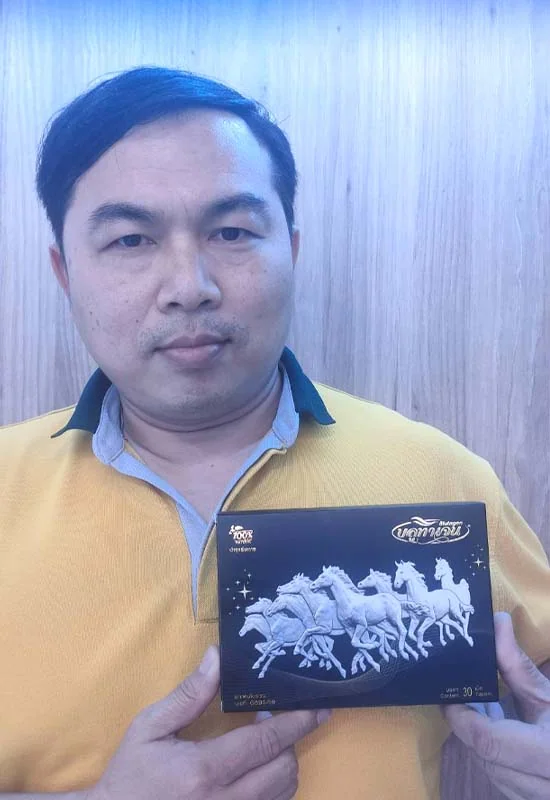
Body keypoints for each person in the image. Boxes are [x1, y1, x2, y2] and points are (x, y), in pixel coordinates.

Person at [0, 66, 549, 800]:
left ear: (290, 246)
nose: (189, 286)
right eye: (131, 240)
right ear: (65, 272)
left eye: (232, 232)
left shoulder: (441, 477)